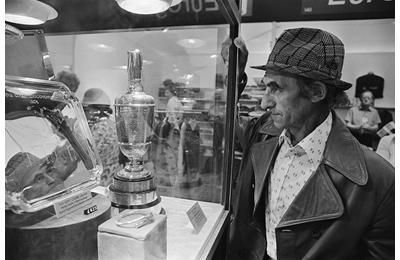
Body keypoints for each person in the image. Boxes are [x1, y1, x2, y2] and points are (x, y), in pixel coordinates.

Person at [228, 28, 394, 260]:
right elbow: (225, 126)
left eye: (276, 88)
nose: (265, 102)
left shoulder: (379, 181)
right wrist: (233, 78)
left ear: (316, 92)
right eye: (265, 87)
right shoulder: (264, 133)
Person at [82, 88, 123, 186]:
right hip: (110, 178)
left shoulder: (100, 129)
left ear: (96, 110)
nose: (84, 113)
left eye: (85, 109)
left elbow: (89, 160)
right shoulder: (110, 124)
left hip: (101, 182)